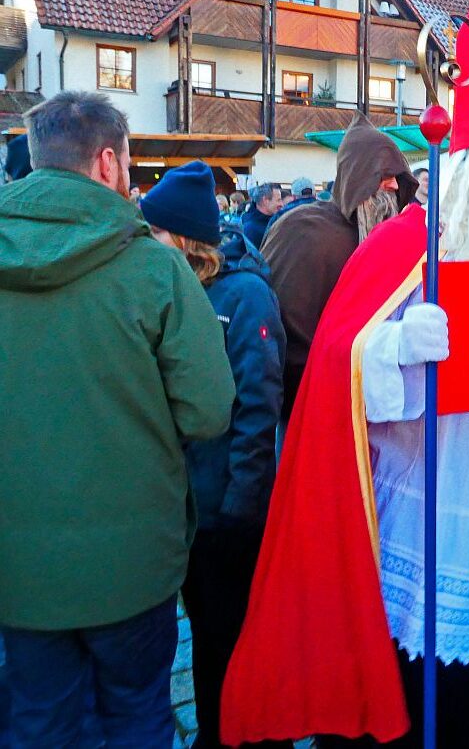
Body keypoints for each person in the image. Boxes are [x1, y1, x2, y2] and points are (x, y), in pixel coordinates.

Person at [220, 0, 469, 748]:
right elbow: (332, 372)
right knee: (417, 704)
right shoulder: (402, 249)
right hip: (424, 503)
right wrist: (391, 349)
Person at [0, 92, 235, 748]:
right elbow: (210, 410)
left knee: (37, 720)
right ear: (108, 162)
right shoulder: (153, 267)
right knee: (135, 716)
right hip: (133, 565)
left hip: (18, 566)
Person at [140, 161, 289, 749]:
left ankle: (250, 734)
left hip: (228, 509)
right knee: (206, 630)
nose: (145, 242)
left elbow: (259, 407)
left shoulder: (245, 294)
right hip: (190, 504)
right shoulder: (181, 286)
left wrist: (239, 506)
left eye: (153, 232)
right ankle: (215, 730)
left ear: (179, 237)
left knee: (236, 632)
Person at [261, 113, 416, 427]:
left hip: (372, 404)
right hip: (309, 404)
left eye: (398, 176)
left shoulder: (389, 238)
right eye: (384, 174)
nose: (394, 185)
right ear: (358, 174)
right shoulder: (302, 230)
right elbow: (284, 330)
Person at [242, 182, 284, 248]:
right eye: (278, 200)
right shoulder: (250, 229)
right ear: (265, 200)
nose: (282, 204)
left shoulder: (277, 220)